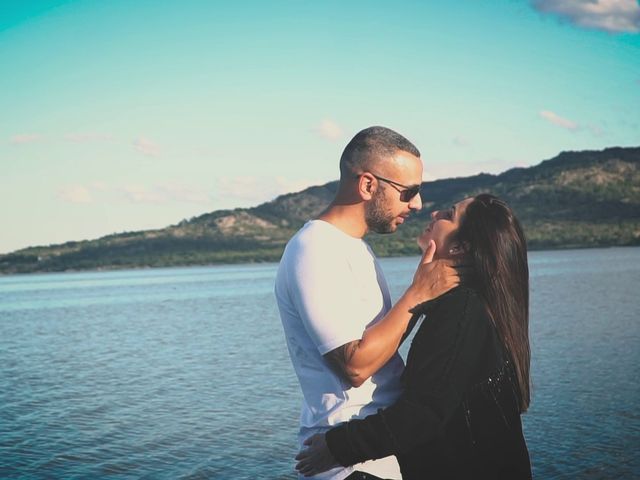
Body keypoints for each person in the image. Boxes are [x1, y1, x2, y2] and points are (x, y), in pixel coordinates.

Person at [295, 194, 533, 479]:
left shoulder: (463, 308)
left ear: (459, 247)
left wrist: (336, 446)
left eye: (448, 214)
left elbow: (425, 412)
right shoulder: (474, 306)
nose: (433, 214)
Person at [275, 126, 462, 480]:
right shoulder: (315, 249)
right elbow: (355, 365)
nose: (418, 204)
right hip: (349, 462)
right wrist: (418, 293)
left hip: (372, 453)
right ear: (367, 185)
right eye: (409, 192)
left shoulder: (352, 248)